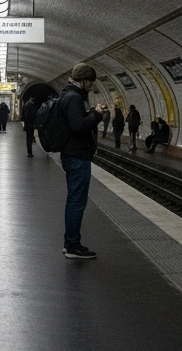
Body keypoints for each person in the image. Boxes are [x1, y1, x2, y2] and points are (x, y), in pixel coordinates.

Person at [59, 64, 108, 259]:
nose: (91, 87)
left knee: (75, 200)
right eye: (91, 83)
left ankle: (70, 242)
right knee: (76, 201)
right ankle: (72, 245)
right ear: (85, 80)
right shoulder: (74, 98)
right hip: (77, 155)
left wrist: (91, 114)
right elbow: (78, 127)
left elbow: (75, 122)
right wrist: (96, 115)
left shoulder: (68, 95)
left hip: (73, 154)